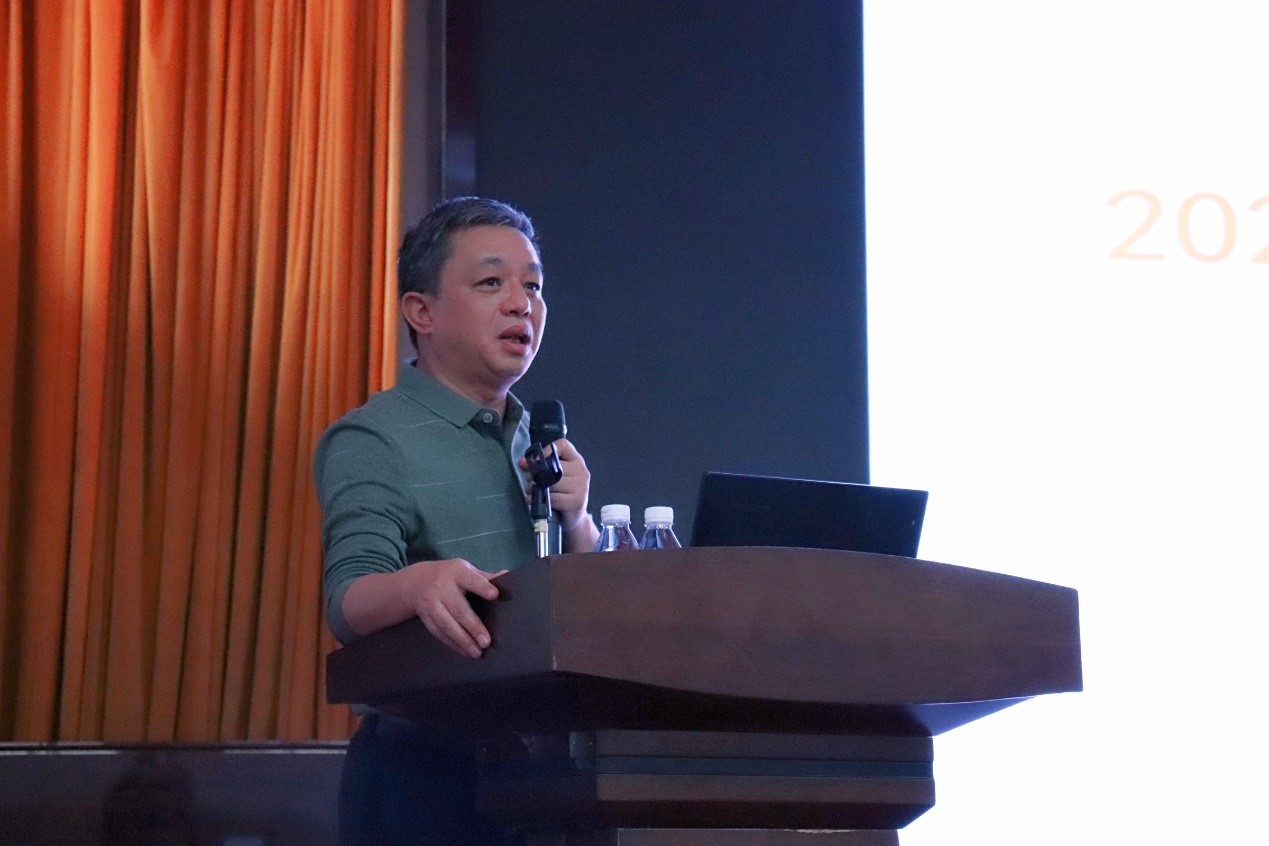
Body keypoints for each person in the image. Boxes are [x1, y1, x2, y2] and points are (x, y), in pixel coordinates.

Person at [313, 197, 601, 845]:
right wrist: (421, 583)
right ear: (422, 312)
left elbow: (584, 608)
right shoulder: (373, 437)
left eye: (533, 286)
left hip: (553, 769)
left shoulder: (538, 439)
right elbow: (348, 599)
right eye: (491, 283)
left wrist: (580, 522)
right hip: (428, 773)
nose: (521, 304)